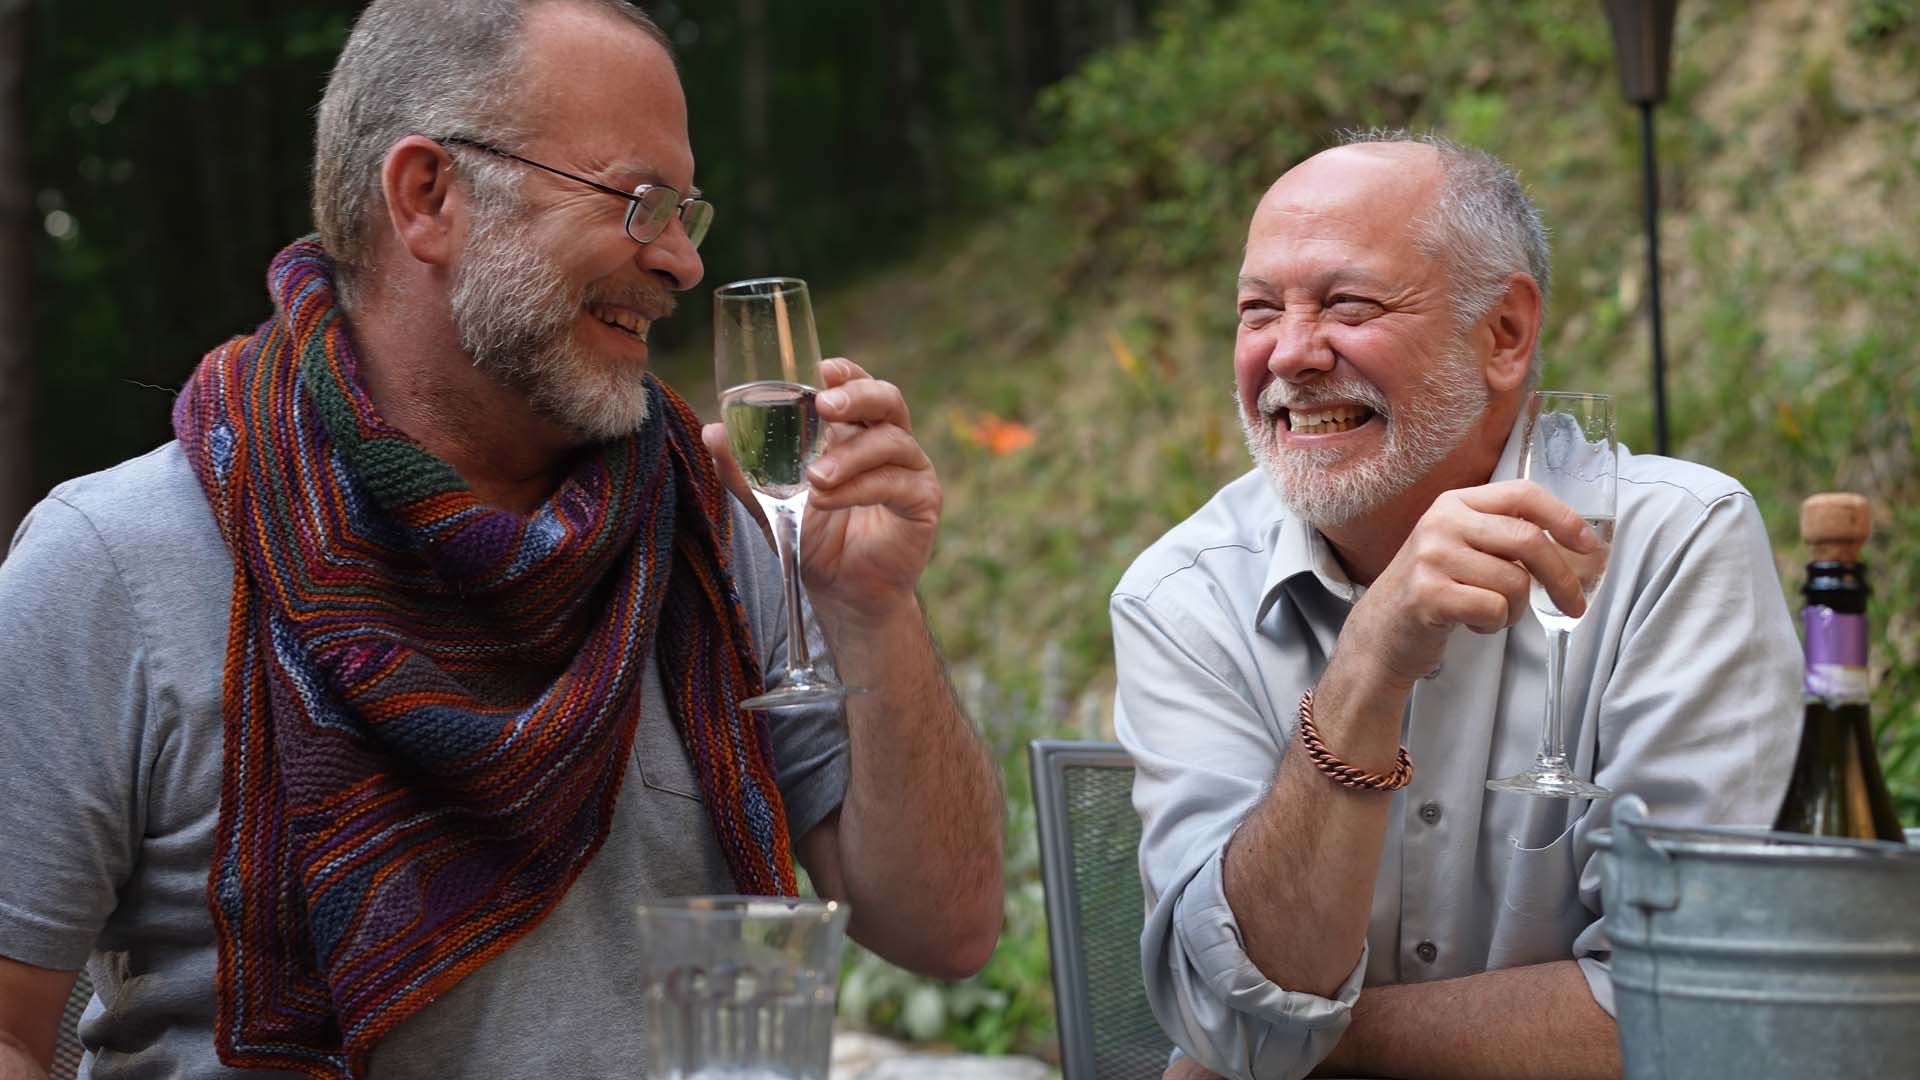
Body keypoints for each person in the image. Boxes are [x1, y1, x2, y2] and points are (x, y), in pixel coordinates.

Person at [0, 2, 1003, 1077]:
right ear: (429, 197)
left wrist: (871, 608)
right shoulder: (111, 564)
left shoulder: (714, 534)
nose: (681, 263)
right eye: (638, 201)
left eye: (686, 212)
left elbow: (942, 929)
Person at [1112, 131, 1800, 1080]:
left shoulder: (1675, 545)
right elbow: (1227, 1007)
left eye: (1347, 304)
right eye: (1259, 310)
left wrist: (1303, 1047)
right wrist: (1367, 666)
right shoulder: (1182, 596)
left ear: (1504, 334)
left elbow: (1696, 1009)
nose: (1293, 353)